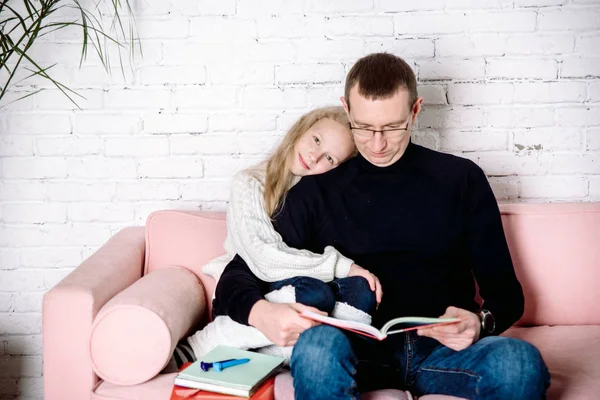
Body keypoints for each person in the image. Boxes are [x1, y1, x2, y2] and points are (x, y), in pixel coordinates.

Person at [212, 53, 551, 399]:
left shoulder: (462, 179)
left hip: (443, 352)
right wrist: (261, 313)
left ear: (415, 110)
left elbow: (507, 295)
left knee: (521, 364)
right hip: (354, 351)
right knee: (316, 348)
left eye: (392, 127)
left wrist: (480, 323)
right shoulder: (315, 189)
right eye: (363, 127)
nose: (377, 144)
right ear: (346, 109)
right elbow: (237, 275)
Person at [166, 106, 382, 370]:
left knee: (361, 289)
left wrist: (355, 275)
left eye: (330, 159)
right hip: (245, 293)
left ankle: (281, 355)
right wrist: (342, 265)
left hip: (295, 289)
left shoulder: (319, 199)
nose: (314, 157)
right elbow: (262, 257)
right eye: (316, 140)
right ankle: (204, 345)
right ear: (301, 128)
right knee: (316, 294)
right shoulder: (250, 183)